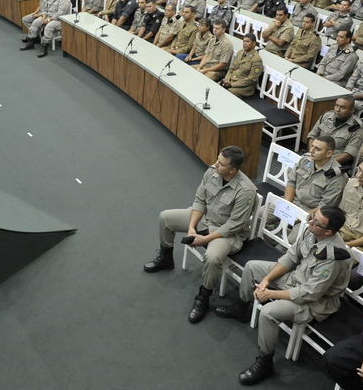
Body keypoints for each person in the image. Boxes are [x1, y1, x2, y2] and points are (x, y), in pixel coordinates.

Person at [217, 206, 350, 386]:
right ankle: (241, 308)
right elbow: (291, 257)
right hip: (296, 279)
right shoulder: (312, 231)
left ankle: (265, 362)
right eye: (313, 216)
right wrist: (266, 279)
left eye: (316, 222)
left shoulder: (333, 258)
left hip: (316, 302)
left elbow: (308, 294)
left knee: (268, 312)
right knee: (252, 267)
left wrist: (270, 294)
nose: (310, 221)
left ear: (328, 232)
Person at [143, 146, 257, 324]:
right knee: (165, 218)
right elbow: (200, 201)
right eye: (217, 159)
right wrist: (191, 228)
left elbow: (233, 225)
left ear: (232, 170)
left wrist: (204, 239)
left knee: (212, 258)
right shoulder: (212, 172)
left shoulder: (246, 191)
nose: (216, 164)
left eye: (221, 164)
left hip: (226, 233)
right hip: (205, 218)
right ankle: (166, 258)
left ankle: (204, 296)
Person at [307, 95, 363, 170]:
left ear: (352, 110)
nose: (337, 110)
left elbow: (349, 154)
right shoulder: (326, 116)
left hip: (335, 162)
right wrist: (312, 153)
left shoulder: (356, 128)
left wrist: (326, 164)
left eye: (342, 107)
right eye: (336, 106)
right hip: (315, 156)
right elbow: (312, 136)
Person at [220, 33, 262, 98]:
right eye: (244, 41)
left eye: (247, 41)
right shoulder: (240, 53)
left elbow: (251, 79)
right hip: (231, 81)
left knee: (226, 94)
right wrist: (227, 79)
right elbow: (231, 68)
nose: (245, 43)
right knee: (217, 87)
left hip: (244, 87)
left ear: (254, 43)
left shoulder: (256, 60)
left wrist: (232, 84)